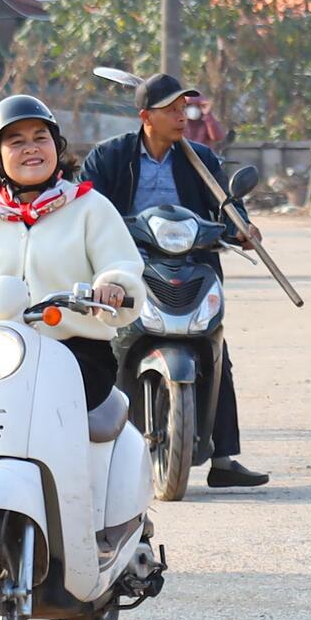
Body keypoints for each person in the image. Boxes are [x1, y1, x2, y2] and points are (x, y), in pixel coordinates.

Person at [81, 73, 268, 488]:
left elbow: (227, 205)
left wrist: (243, 229)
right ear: (146, 116)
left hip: (190, 261)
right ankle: (96, 450)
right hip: (129, 266)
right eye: (172, 110)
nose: (182, 116)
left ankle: (223, 458)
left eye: (184, 108)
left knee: (215, 348)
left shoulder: (201, 160)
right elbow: (86, 207)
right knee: (103, 350)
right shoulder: (109, 157)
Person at [0, 96, 145, 410]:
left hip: (74, 353)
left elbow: (120, 263)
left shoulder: (88, 206)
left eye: (40, 138)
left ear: (56, 147)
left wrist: (114, 286)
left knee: (48, 406)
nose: (31, 148)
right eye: (16, 141)